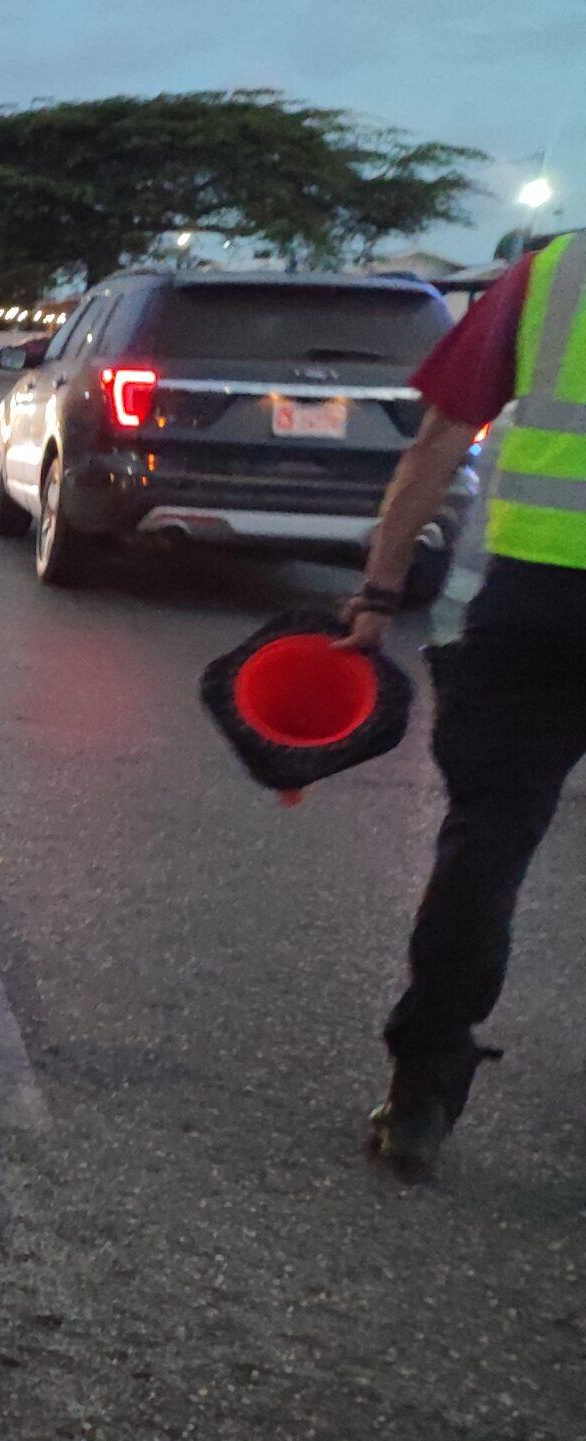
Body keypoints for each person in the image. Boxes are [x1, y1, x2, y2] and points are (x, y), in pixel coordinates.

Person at [342, 230, 586, 1179]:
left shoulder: (556, 273)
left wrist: (379, 590)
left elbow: (441, 441)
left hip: (530, 607)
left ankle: (421, 1096)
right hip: (532, 613)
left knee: (486, 849)